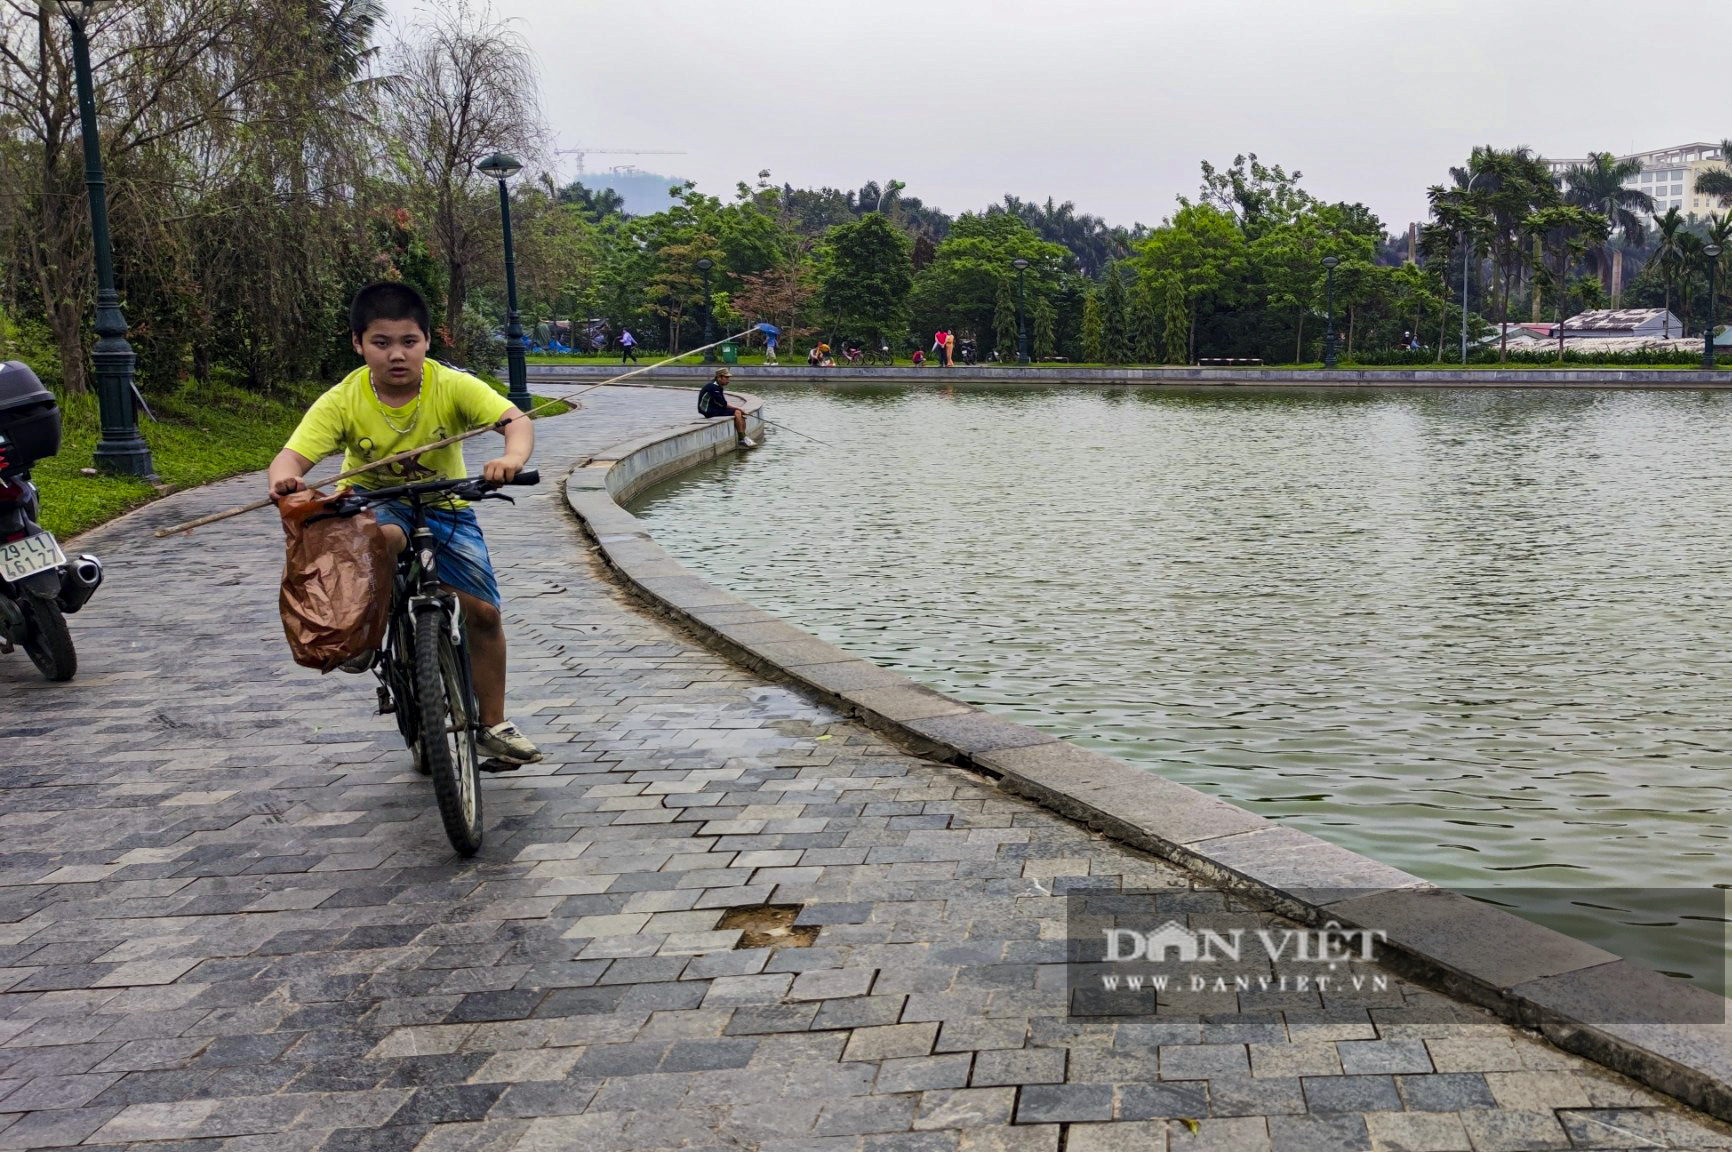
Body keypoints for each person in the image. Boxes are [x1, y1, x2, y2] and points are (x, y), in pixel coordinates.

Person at [266, 281, 542, 766]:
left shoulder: (452, 384)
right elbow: (291, 457)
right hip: (376, 503)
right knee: (385, 537)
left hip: (448, 505)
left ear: (428, 340)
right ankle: (366, 623)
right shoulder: (343, 398)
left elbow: (514, 421)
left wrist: (510, 459)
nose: (397, 355)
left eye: (409, 342)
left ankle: (493, 723)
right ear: (358, 344)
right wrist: (287, 482)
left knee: (485, 614)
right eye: (381, 343)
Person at [698, 368, 753, 447]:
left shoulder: (717, 386)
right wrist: (739, 408)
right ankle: (742, 439)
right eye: (726, 377)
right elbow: (723, 403)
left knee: (739, 413)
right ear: (719, 377)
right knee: (737, 412)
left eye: (728, 378)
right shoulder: (712, 387)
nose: (728, 380)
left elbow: (722, 403)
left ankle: (744, 436)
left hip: (714, 407)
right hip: (708, 410)